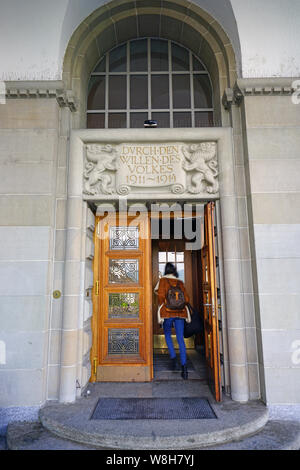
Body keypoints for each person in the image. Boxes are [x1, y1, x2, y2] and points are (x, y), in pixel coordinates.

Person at [154, 262, 191, 379]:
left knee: (168, 334)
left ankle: (173, 358)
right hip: (180, 313)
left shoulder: (163, 281)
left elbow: (160, 297)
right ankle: (184, 369)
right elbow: (187, 299)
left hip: (167, 313)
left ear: (165, 270)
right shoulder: (180, 282)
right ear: (174, 270)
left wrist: (165, 305)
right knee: (180, 339)